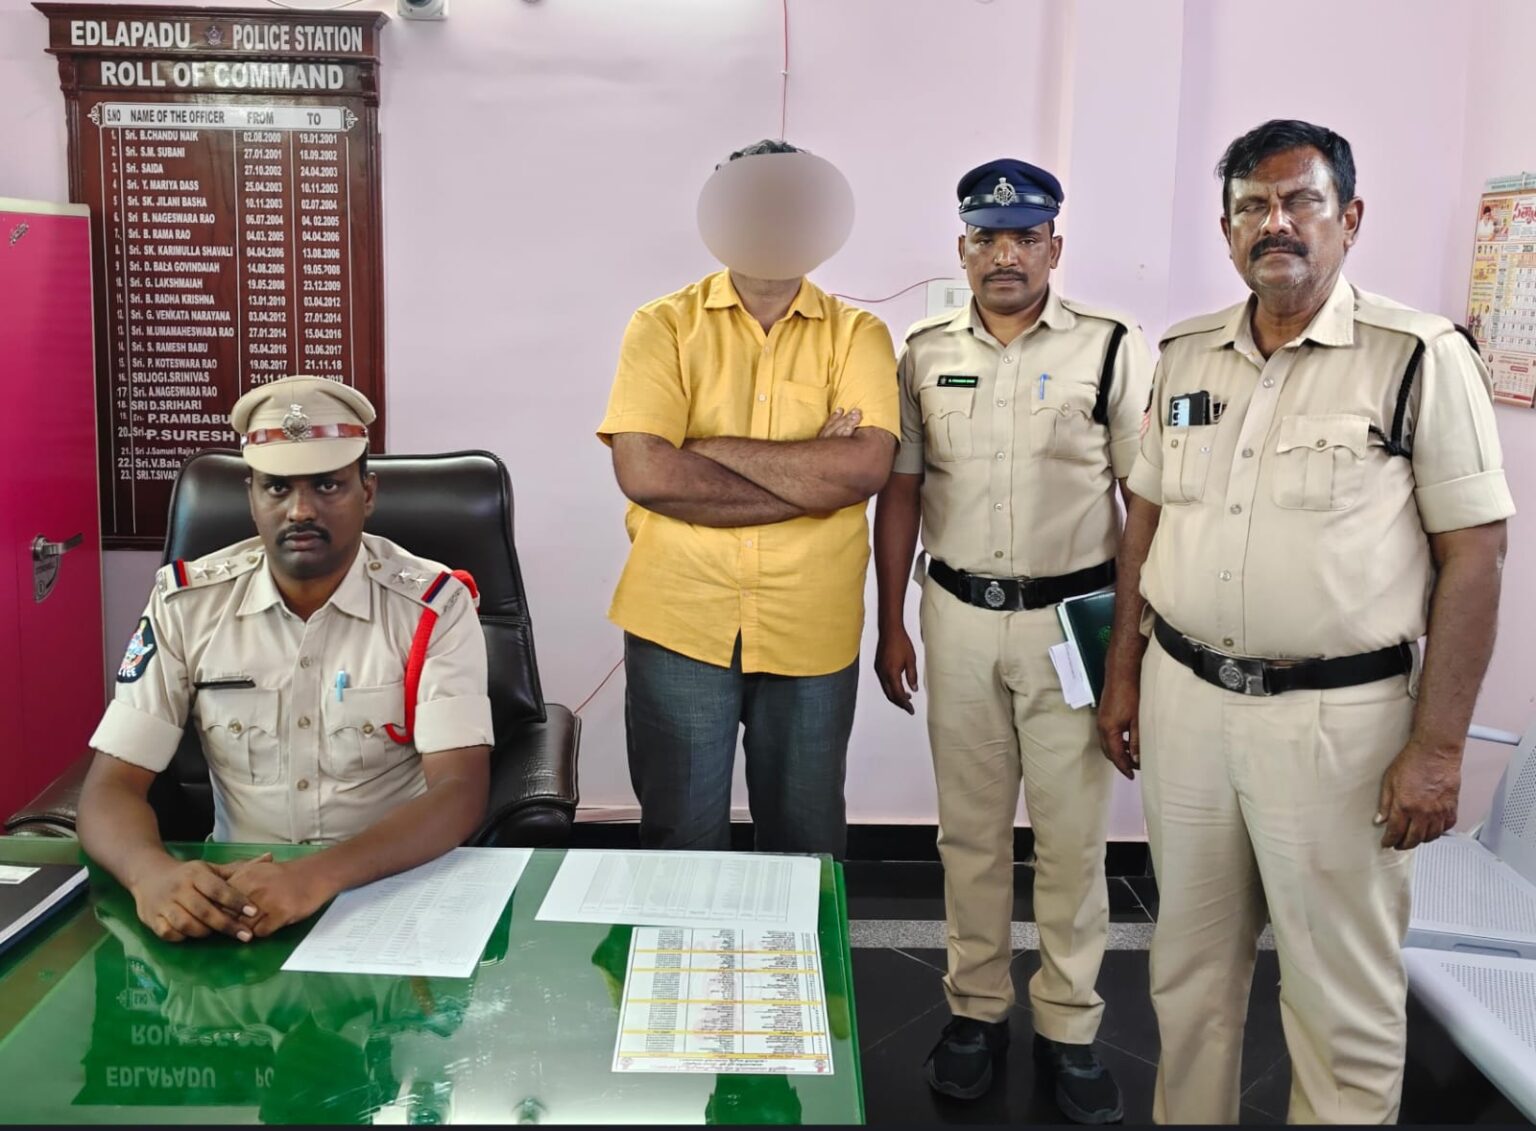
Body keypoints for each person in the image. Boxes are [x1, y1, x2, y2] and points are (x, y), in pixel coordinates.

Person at [1098, 119, 1514, 1124]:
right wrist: (1123, 673)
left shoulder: (1416, 358)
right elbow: (1145, 520)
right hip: (1187, 701)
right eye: (1252, 206)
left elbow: (1475, 557)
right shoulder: (1186, 354)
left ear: (1349, 218)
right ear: (1226, 228)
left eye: (1300, 201)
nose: (1274, 223)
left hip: (1340, 727)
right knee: (1187, 976)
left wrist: (1439, 751)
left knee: (1340, 1001)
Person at [873, 159, 1151, 1121]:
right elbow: (900, 490)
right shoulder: (922, 351)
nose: (1005, 255)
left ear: (1054, 248)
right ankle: (975, 1010)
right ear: (962, 249)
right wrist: (890, 621)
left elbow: (1144, 505)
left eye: (1025, 237)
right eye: (987, 238)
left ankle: (1069, 1024)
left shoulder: (1110, 348)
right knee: (971, 833)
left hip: (1071, 626)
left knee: (1073, 839)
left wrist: (1131, 652)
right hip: (955, 618)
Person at [79, 375, 494, 944]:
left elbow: (459, 791)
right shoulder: (186, 606)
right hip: (233, 904)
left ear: (367, 493)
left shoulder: (432, 607)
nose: (300, 510)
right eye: (276, 488)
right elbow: (112, 786)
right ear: (251, 496)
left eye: (328, 485)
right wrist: (150, 874)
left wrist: (314, 877)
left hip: (391, 896)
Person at [598, 139, 899, 857]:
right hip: (680, 618)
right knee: (681, 839)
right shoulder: (663, 325)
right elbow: (647, 474)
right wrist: (812, 481)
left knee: (806, 842)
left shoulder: (859, 334)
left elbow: (864, 469)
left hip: (812, 622)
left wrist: (703, 447)